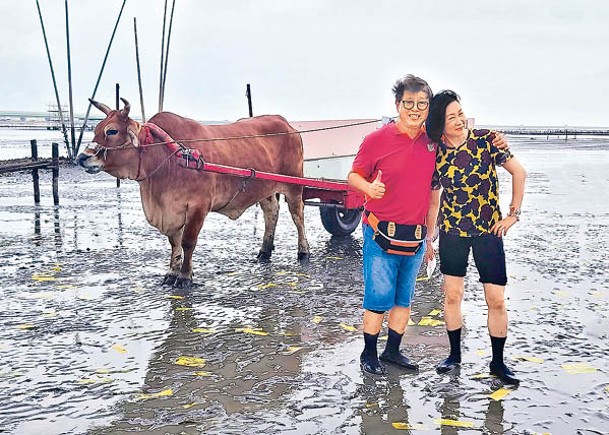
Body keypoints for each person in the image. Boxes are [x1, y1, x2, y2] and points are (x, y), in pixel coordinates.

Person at [426, 90, 526, 385]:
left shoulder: (486, 141)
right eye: (450, 117)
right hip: (453, 233)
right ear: (439, 123)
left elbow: (519, 173)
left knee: (495, 299)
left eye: (460, 113)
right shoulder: (436, 154)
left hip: (488, 233)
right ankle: (454, 356)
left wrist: (512, 215)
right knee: (452, 295)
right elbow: (434, 200)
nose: (459, 120)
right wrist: (429, 238)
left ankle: (497, 362)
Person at [347, 74, 438, 375]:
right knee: (378, 296)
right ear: (398, 104)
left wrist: (430, 238)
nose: (415, 109)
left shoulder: (433, 143)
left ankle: (393, 351)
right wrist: (369, 189)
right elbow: (354, 176)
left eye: (422, 104)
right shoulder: (377, 139)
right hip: (379, 231)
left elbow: (435, 192)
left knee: (404, 297)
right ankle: (368, 353)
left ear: (429, 107)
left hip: (415, 235)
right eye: (409, 103)